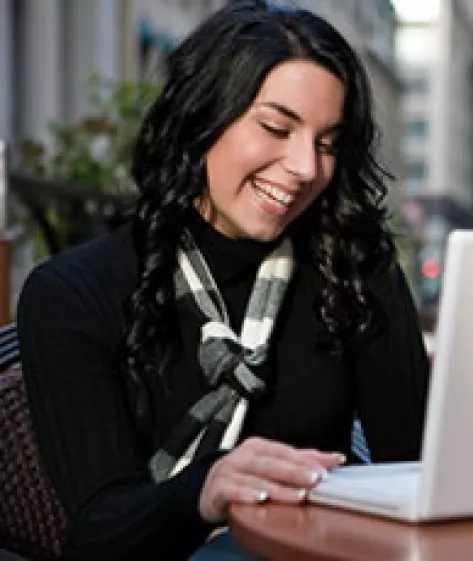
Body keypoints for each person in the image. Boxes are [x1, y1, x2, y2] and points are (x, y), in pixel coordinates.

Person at [16, 2, 430, 560]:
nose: (306, 166)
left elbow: (417, 469)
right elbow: (98, 535)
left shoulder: (353, 270)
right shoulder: (75, 293)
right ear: (203, 119)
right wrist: (206, 489)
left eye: (327, 143)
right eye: (276, 128)